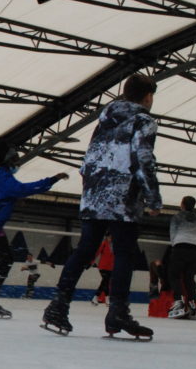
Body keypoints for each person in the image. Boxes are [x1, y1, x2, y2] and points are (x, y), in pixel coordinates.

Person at [42, 73, 162, 338]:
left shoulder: (106, 117)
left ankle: (58, 306)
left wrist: (91, 187)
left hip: (94, 192)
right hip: (122, 196)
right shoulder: (144, 120)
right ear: (148, 96)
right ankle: (117, 312)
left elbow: (89, 157)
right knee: (124, 253)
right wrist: (152, 198)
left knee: (85, 250)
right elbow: (143, 159)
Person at [0, 148, 67, 318]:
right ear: (9, 162)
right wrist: (53, 179)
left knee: (1, 260)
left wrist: (13, 199)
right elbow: (26, 189)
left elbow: (7, 194)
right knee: (4, 260)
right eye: (16, 162)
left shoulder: (0, 177)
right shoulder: (5, 179)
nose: (18, 165)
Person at [167, 196, 196, 319]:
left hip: (180, 247)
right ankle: (192, 303)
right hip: (194, 250)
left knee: (174, 275)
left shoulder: (177, 217)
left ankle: (178, 301)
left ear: (182, 204)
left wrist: (175, 244)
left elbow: (172, 232)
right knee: (189, 278)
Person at [90, 235, 114, 305]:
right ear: (106, 237)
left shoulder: (114, 245)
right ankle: (105, 299)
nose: (110, 238)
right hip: (103, 266)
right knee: (105, 281)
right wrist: (91, 262)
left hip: (111, 267)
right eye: (109, 237)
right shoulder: (103, 244)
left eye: (111, 237)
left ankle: (97, 298)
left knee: (105, 282)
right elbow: (97, 253)